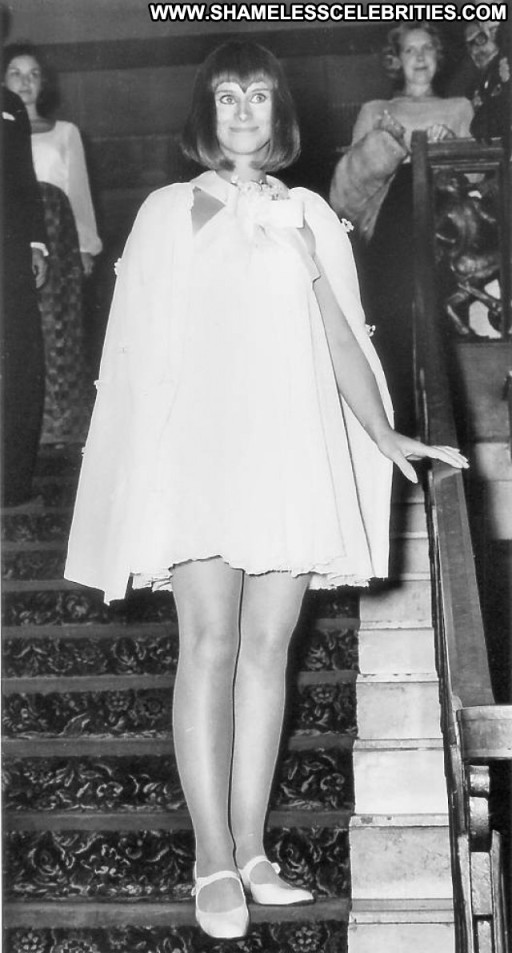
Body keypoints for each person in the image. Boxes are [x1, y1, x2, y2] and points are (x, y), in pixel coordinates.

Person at [64, 41, 468, 940]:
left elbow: (340, 336)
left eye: (257, 95)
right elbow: (134, 351)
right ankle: (210, 857)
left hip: (285, 449)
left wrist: (383, 430)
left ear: (278, 114)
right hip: (199, 451)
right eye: (226, 95)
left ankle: (250, 849)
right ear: (205, 113)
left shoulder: (309, 212)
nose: (243, 110)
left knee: (267, 648)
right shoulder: (168, 211)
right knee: (209, 642)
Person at [329, 22, 473, 433]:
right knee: (393, 320)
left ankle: (443, 424)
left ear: (439, 55)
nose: (420, 57)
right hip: (389, 226)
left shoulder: (460, 108)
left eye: (427, 48)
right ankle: (400, 423)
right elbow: (347, 190)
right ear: (396, 60)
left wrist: (449, 148)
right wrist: (385, 145)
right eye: (410, 50)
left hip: (444, 222)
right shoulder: (375, 110)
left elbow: (479, 180)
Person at [4, 43, 102, 444]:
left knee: (60, 330)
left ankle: (62, 425)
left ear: (44, 83)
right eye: (15, 73)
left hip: (58, 236)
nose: (25, 82)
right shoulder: (5, 126)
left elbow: (78, 190)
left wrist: (85, 246)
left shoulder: (66, 132)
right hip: (12, 235)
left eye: (33, 74)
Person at [1, 81, 47, 506]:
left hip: (8, 251)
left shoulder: (9, 104)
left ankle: (12, 481)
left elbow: (22, 175)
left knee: (17, 361)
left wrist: (35, 242)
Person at [462, 20, 510, 142]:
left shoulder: (505, 69)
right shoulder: (475, 85)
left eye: (481, 39)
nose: (475, 50)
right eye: (470, 46)